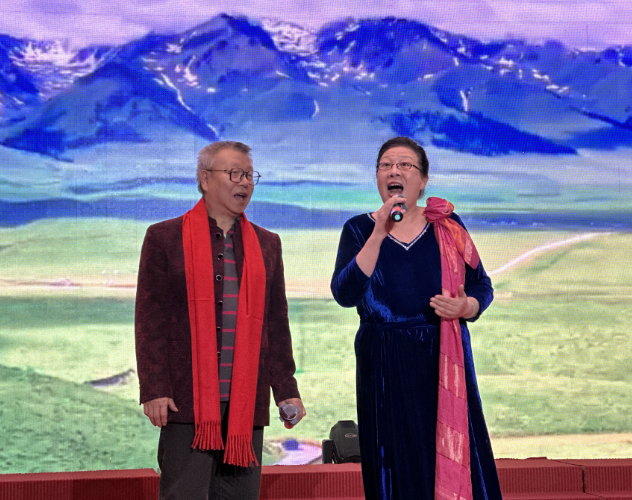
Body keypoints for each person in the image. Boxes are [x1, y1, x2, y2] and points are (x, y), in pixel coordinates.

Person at [330, 137, 502, 500]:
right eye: (386, 165)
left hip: (443, 354)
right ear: (377, 178)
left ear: (422, 180)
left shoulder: (447, 225)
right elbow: (345, 294)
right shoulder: (358, 229)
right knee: (395, 458)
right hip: (384, 359)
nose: (394, 171)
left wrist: (467, 306)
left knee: (448, 449)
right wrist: (379, 234)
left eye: (405, 165)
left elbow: (481, 285)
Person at [135, 141, 306, 500]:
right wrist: (154, 388)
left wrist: (286, 390)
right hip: (186, 401)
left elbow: (276, 324)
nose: (244, 182)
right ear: (205, 179)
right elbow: (150, 321)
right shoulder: (164, 238)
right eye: (234, 173)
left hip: (246, 404)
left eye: (250, 175)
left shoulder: (268, 244)